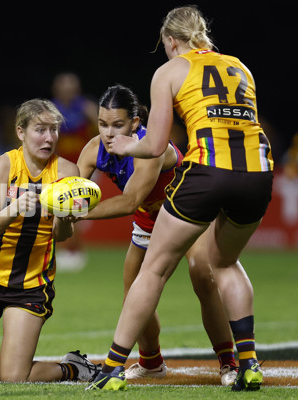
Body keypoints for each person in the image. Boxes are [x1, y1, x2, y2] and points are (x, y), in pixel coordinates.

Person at [86, 6, 273, 391]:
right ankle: (248, 363)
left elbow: (154, 145)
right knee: (225, 264)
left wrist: (124, 144)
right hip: (258, 170)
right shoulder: (241, 66)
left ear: (171, 41)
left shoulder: (169, 71)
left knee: (153, 270)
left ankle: (112, 367)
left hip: (208, 170)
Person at [77, 84, 237, 385]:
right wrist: (52, 202)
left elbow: (129, 200)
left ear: (135, 123)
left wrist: (77, 213)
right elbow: (72, 189)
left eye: (117, 124)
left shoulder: (152, 146)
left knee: (202, 274)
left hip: (188, 212)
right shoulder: (93, 149)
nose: (108, 133)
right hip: (150, 220)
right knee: (134, 293)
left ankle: (229, 363)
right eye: (102, 124)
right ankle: (151, 363)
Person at [0, 98, 100, 382]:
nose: (49, 137)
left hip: (30, 284)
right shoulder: (2, 166)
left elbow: (62, 237)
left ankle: (73, 368)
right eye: (41, 129)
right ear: (21, 132)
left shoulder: (67, 173)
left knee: (13, 379)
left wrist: (65, 217)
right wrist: (13, 208)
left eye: (54, 130)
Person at [51, 72, 99, 271]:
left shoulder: (86, 108)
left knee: (75, 209)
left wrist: (93, 117)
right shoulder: (51, 110)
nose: (69, 91)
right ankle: (63, 251)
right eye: (65, 87)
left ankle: (74, 251)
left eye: (72, 87)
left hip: (84, 165)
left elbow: (101, 134)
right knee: (56, 209)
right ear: (57, 89)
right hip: (59, 164)